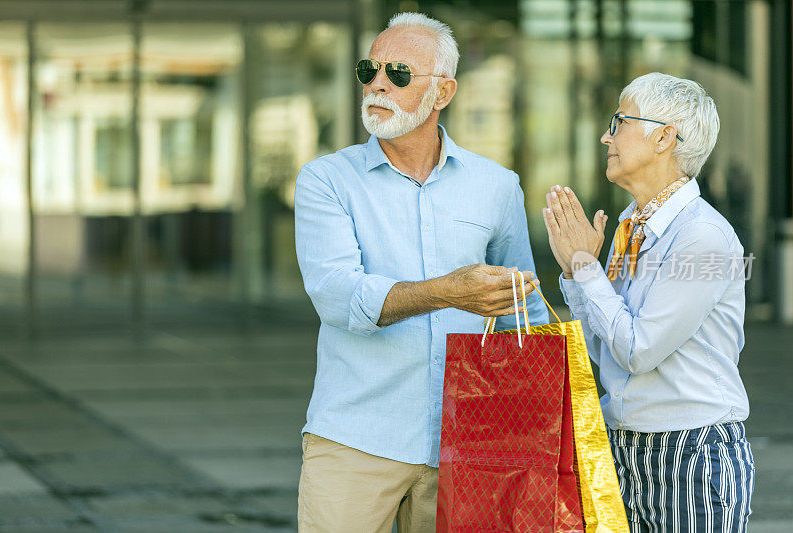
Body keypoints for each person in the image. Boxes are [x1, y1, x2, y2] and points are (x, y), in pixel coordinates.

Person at [294, 12, 548, 532]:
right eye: (369, 70)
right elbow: (338, 296)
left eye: (399, 73)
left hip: (470, 446)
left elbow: (525, 312)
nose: (377, 84)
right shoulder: (327, 181)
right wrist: (450, 292)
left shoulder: (497, 186)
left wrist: (539, 431)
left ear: (444, 91)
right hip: (355, 441)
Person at [542, 72, 754, 531]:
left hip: (691, 451)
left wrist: (585, 267)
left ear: (664, 137)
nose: (606, 136)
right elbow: (607, 350)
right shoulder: (630, 225)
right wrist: (576, 276)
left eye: (619, 121)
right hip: (623, 446)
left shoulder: (702, 236)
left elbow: (638, 350)